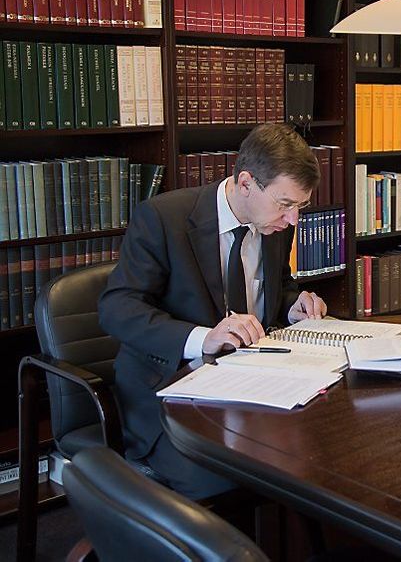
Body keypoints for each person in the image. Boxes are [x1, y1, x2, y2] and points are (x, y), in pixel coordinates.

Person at [99, 124, 327, 499]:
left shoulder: (273, 225)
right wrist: (203, 338)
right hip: (170, 400)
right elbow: (117, 308)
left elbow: (278, 288)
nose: (293, 220)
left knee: (313, 458)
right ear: (245, 183)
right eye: (286, 204)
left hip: (253, 390)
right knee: (236, 480)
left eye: (299, 207)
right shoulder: (162, 218)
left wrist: (293, 307)